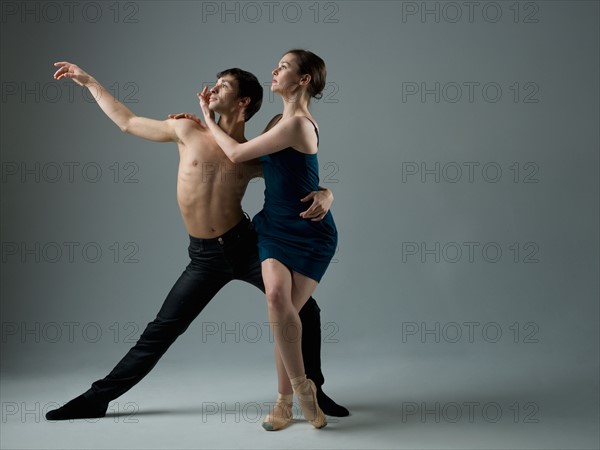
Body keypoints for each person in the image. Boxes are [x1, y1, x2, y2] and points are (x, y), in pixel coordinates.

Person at [45, 61, 349, 421]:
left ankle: (315, 389)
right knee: (162, 329)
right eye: (215, 83)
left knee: (303, 308)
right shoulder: (186, 129)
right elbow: (127, 121)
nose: (213, 89)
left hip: (245, 243)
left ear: (244, 102)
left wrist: (327, 193)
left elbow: (299, 175)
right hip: (205, 257)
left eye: (224, 86)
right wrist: (89, 82)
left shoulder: (255, 155)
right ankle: (98, 398)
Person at [198, 49, 337, 431]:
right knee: (278, 302)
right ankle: (295, 393)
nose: (274, 70)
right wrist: (326, 189)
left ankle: (287, 400)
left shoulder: (299, 125)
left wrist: (208, 119)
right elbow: (251, 164)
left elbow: (238, 152)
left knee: (283, 314)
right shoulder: (279, 119)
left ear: (303, 80)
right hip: (274, 226)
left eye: (285, 66)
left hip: (310, 234)